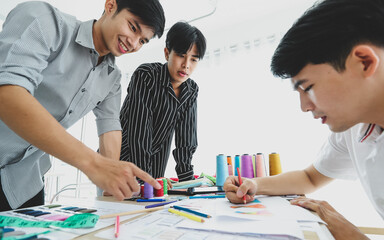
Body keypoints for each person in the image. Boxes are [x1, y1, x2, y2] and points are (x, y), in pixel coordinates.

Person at [224, 0, 384, 239]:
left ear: (364, 62)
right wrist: (254, 184)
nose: (304, 107)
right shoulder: (354, 128)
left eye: (307, 87)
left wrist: (351, 235)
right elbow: (310, 178)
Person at [0, 0, 165, 211]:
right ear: (111, 6)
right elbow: (8, 93)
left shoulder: (111, 79)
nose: (133, 44)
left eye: (142, 41)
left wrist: (112, 180)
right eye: (133, 27)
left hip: (24, 183)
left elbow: (110, 129)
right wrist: (94, 164)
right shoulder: (45, 21)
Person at [119, 21, 206, 185]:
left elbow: (186, 140)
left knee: (155, 210)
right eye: (181, 55)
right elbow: (139, 133)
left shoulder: (191, 90)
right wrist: (145, 180)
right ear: (167, 53)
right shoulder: (146, 76)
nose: (186, 65)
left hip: (154, 171)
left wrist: (187, 183)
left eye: (193, 59)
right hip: (120, 162)